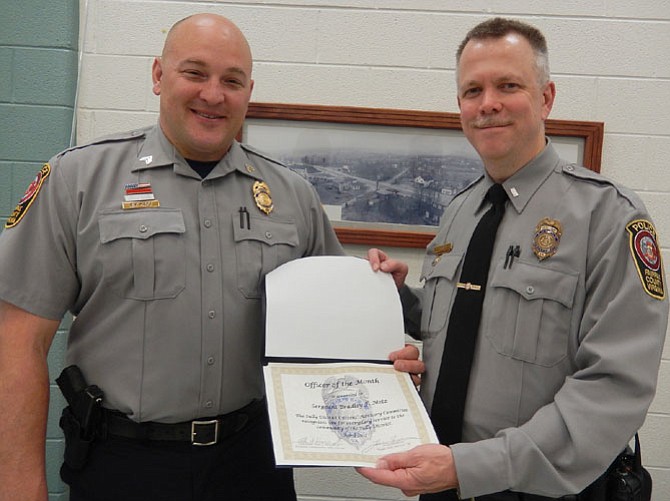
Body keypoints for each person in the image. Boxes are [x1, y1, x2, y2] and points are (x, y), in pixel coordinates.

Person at [0, 13, 423, 501]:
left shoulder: (292, 195)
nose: (213, 94)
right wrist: (18, 487)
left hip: (250, 465)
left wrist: (381, 335)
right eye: (195, 73)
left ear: (249, 91)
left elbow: (337, 339)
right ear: (159, 75)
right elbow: (18, 342)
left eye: (232, 81)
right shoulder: (78, 179)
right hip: (123, 465)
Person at [359, 17, 668, 500]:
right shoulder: (459, 211)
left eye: (508, 85)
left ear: (546, 98)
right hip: (439, 477)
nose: (488, 105)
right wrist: (400, 300)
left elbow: (613, 389)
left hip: (538, 489)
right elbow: (468, 321)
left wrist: (473, 466)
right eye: (472, 90)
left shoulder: (609, 217)